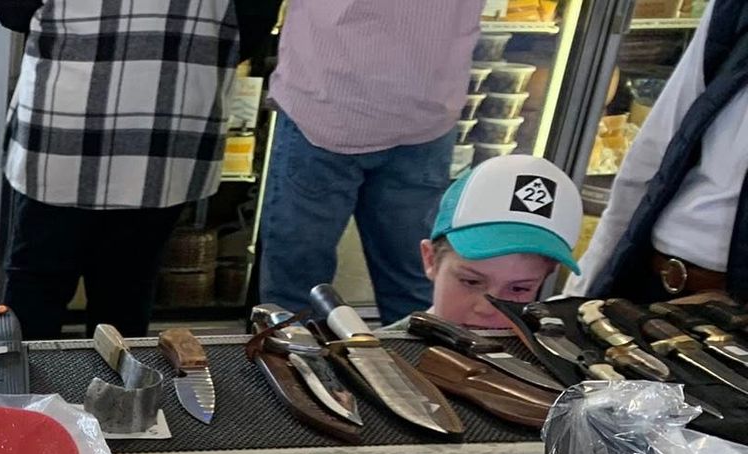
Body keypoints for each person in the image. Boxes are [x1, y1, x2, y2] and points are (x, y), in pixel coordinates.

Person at [0, 0, 263, 340]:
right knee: (127, 290)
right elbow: (253, 22)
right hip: (170, 119)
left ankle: (23, 393)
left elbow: (13, 11)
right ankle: (119, 392)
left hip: (67, 118)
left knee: (37, 287)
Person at [258, 0, 485, 325]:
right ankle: (419, 371)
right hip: (427, 104)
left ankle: (296, 370)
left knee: (295, 293)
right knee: (413, 287)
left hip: (326, 97)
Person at [572, 0, 748, 301]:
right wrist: (585, 287)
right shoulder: (733, 10)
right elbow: (654, 152)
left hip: (732, 311)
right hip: (653, 282)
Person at [419, 154, 583, 330]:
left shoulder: (552, 352)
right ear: (430, 259)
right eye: (471, 281)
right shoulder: (389, 354)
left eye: (519, 289)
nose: (487, 309)